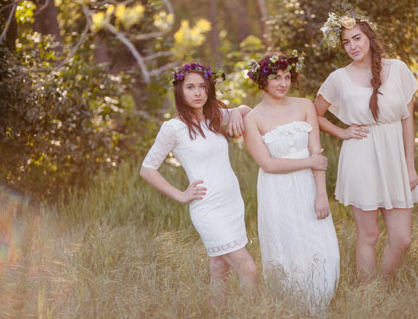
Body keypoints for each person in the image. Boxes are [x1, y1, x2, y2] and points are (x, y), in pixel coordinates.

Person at [315, 6, 418, 281]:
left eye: (357, 38)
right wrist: (341, 132)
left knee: (402, 238)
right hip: (360, 156)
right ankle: (368, 295)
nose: (352, 46)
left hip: (395, 157)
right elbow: (313, 114)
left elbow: (408, 119)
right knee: (369, 235)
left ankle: (382, 285)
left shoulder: (398, 69)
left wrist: (409, 165)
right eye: (346, 42)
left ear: (369, 38)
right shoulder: (338, 78)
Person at [140, 60, 257, 293]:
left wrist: (235, 111)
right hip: (208, 207)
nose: (197, 93)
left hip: (232, 203)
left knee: (219, 266)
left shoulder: (214, 117)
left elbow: (249, 110)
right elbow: (147, 169)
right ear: (180, 91)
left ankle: (216, 311)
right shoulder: (173, 128)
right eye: (190, 87)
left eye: (202, 87)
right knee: (248, 269)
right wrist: (181, 195)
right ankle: (251, 313)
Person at [243, 49, 340, 309]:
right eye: (276, 77)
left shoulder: (304, 105)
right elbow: (268, 164)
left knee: (322, 245)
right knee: (287, 247)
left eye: (287, 77)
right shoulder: (252, 118)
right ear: (262, 81)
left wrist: (321, 194)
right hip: (276, 189)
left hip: (308, 186)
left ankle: (319, 303)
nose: (283, 83)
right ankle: (291, 306)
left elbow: (316, 151)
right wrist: (308, 162)